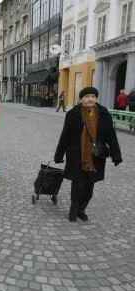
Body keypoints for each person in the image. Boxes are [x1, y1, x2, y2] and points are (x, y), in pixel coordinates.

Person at [54, 87, 122, 222]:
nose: (90, 99)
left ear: (96, 98)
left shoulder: (104, 114)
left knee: (90, 185)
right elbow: (65, 136)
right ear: (81, 99)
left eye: (93, 96)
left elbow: (111, 136)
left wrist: (116, 155)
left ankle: (81, 209)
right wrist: (59, 155)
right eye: (86, 96)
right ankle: (73, 210)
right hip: (76, 155)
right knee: (78, 184)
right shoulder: (73, 114)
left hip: (96, 156)